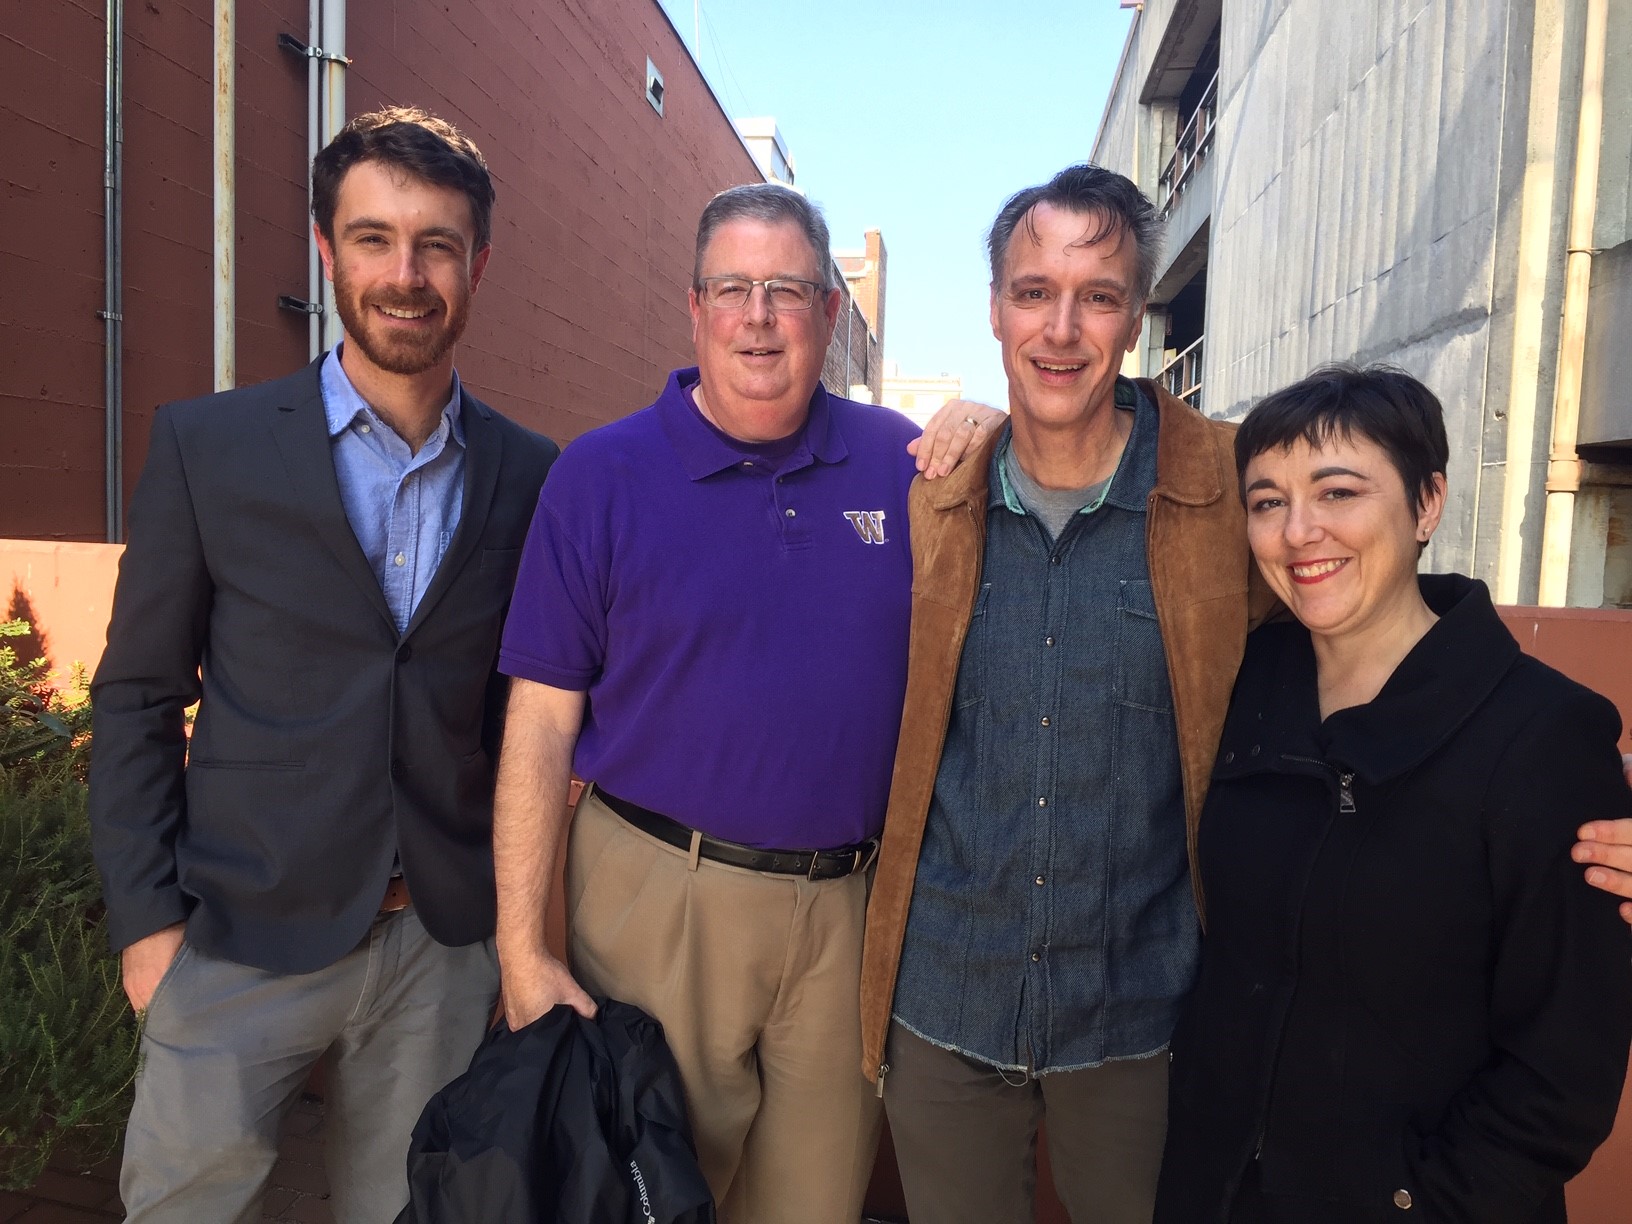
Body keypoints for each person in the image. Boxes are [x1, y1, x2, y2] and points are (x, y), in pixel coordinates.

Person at [89, 107, 559, 1223]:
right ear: (324, 246)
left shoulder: (532, 474)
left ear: (478, 265)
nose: (406, 273)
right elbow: (138, 695)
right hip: (238, 931)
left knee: (409, 1211)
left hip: (439, 947)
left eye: (437, 244)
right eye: (374, 238)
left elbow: (517, 720)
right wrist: (147, 922)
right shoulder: (210, 448)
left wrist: (513, 935)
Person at [489, 182, 993, 1224]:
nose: (758, 317)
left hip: (848, 915)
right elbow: (540, 728)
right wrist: (522, 952)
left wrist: (993, 428)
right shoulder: (601, 477)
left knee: (816, 1205)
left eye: (787, 290)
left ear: (830, 315)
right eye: (733, 288)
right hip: (657, 904)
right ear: (695, 310)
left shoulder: (899, 464)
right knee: (642, 1198)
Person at [858, 164, 1277, 1223]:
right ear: (995, 310)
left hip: (1144, 1018)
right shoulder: (931, 498)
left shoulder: (1226, 493)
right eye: (1034, 291)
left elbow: (1374, 629)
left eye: (1097, 295)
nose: (1062, 328)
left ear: (1136, 317)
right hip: (948, 1002)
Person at [1152, 365, 1632, 1224]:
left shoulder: (1543, 734)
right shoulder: (1241, 681)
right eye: (1267, 502)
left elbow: (1563, 1070)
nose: (1300, 531)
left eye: (1338, 491)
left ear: (1427, 504)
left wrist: (1422, 1201)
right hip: (1217, 1191)